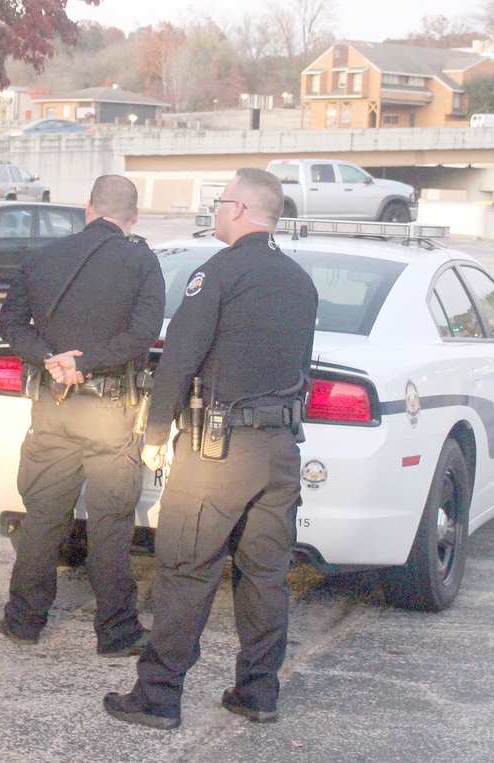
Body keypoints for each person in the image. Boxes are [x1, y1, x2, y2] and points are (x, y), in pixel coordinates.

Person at [103, 167, 318, 729]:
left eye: (220, 201)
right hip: (279, 450)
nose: (215, 210)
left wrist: (154, 434)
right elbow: (303, 367)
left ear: (242, 209)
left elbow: (180, 358)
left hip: (218, 454)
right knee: (265, 576)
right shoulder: (301, 281)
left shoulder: (217, 273)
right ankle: (258, 692)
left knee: (185, 569)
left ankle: (156, 697)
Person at [0, 175, 165, 657]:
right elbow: (142, 336)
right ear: (133, 216)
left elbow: (10, 325)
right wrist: (84, 362)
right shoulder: (142, 261)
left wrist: (52, 359)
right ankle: (116, 631)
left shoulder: (43, 256)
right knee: (110, 523)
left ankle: (23, 621)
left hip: (53, 405)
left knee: (43, 518)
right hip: (109, 411)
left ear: (87, 207)